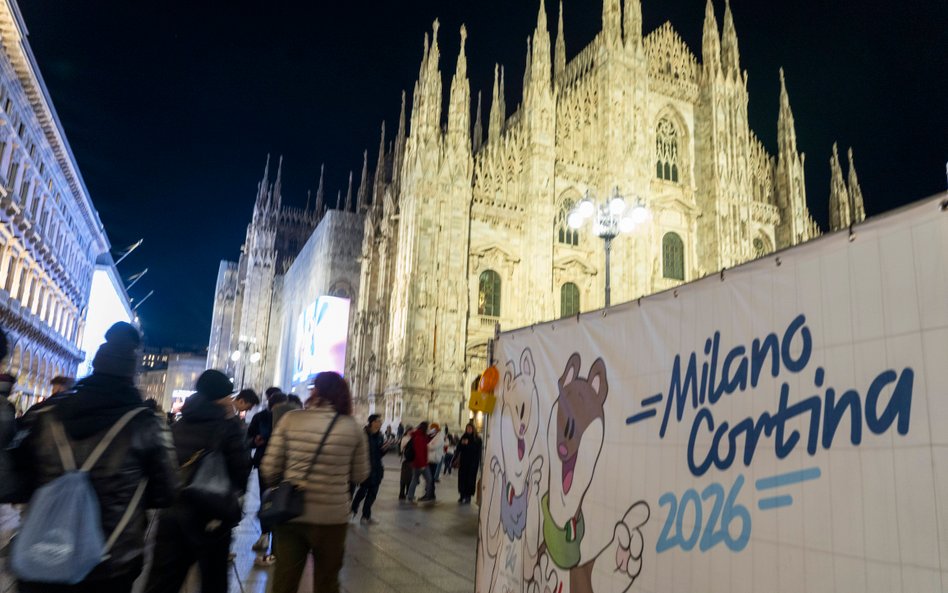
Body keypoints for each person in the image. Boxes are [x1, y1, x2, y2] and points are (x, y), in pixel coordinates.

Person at [12, 321, 178, 593]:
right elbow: (167, 492)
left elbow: (20, 479)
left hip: (43, 548)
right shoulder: (146, 423)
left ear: (95, 367)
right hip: (110, 557)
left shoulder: (47, 415)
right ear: (131, 373)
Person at [260, 372, 369, 593]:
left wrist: (285, 481)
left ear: (315, 391)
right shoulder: (353, 427)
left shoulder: (291, 419)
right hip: (332, 518)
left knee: (284, 582)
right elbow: (360, 475)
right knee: (327, 582)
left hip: (291, 514)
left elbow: (269, 468)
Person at [144, 371, 251, 593]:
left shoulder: (179, 424)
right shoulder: (226, 427)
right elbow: (241, 471)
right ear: (221, 397)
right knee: (213, 582)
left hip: (173, 514)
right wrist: (234, 422)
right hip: (211, 516)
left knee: (162, 581)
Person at [247, 389, 287, 564]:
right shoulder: (261, 417)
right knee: (267, 501)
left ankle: (278, 542)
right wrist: (254, 441)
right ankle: (265, 534)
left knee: (282, 503)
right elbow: (248, 438)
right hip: (266, 463)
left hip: (286, 466)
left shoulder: (291, 418)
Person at [351, 414, 386, 524]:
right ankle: (353, 510)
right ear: (372, 422)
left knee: (373, 494)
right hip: (365, 468)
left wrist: (384, 449)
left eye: (380, 421)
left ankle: (366, 516)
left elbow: (379, 454)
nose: (380, 423)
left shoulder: (380, 436)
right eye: (378, 421)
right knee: (362, 492)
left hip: (377, 469)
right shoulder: (363, 435)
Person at [455, 423, 482, 504]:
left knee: (470, 479)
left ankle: (468, 496)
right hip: (463, 462)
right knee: (462, 478)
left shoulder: (477, 439)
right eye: (467, 428)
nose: (469, 430)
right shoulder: (463, 437)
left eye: (470, 428)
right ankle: (462, 495)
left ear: (473, 429)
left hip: (472, 463)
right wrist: (462, 444)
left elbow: (477, 450)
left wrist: (468, 444)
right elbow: (458, 448)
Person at [406, 421, 432, 503]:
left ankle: (410, 496)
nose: (428, 429)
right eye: (427, 428)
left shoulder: (418, 436)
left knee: (414, 479)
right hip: (421, 463)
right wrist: (422, 465)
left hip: (417, 463)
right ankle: (427, 496)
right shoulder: (419, 438)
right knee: (429, 479)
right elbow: (419, 452)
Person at [397, 424, 413, 501]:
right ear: (407, 431)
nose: (412, 431)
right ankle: (402, 493)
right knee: (405, 478)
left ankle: (407, 492)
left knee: (409, 477)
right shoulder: (405, 438)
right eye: (411, 430)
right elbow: (402, 448)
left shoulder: (411, 438)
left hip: (410, 460)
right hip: (406, 460)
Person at [427, 422, 445, 489]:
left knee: (431, 476)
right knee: (429, 476)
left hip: (434, 458)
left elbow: (433, 447)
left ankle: (430, 493)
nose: (430, 430)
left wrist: (427, 446)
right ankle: (428, 492)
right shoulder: (434, 436)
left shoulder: (439, 437)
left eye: (432, 428)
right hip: (431, 458)